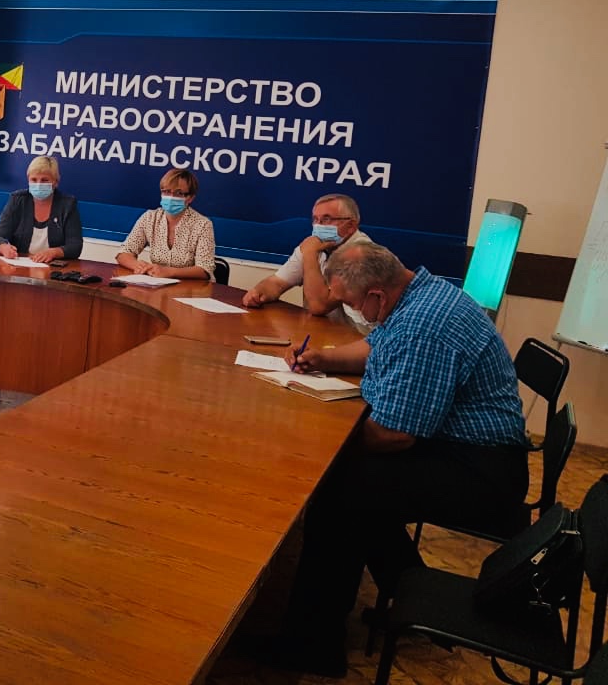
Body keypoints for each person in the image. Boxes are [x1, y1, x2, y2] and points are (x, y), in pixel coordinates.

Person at [266, 242, 528, 678]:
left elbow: (395, 434)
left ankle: (312, 646)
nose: (353, 311)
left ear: (377, 295)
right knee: (359, 483)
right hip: (457, 447)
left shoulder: (427, 325)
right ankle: (410, 593)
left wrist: (313, 435)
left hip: (482, 472)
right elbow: (376, 348)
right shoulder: (415, 292)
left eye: (352, 303)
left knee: (342, 493)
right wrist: (322, 359)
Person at [242, 193, 374, 332]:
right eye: (315, 219)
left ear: (351, 225)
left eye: (326, 219)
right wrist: (258, 292)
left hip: (358, 338)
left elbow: (319, 306)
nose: (318, 226)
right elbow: (277, 283)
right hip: (321, 332)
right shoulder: (313, 245)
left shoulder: (362, 255)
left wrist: (310, 254)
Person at [115, 167, 215, 280]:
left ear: (190, 198)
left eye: (178, 193)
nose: (171, 197)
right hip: (157, 285)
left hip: (192, 287)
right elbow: (123, 253)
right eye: (166, 191)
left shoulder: (203, 224)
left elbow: (205, 269)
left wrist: (170, 272)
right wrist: (139, 266)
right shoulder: (149, 218)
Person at [0, 155, 83, 264]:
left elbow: (75, 246)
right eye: (34, 180)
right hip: (20, 266)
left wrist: (54, 252)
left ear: (55, 182)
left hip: (53, 268)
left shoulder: (67, 204)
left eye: (44, 180)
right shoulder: (18, 200)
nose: (38, 184)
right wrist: (3, 247)